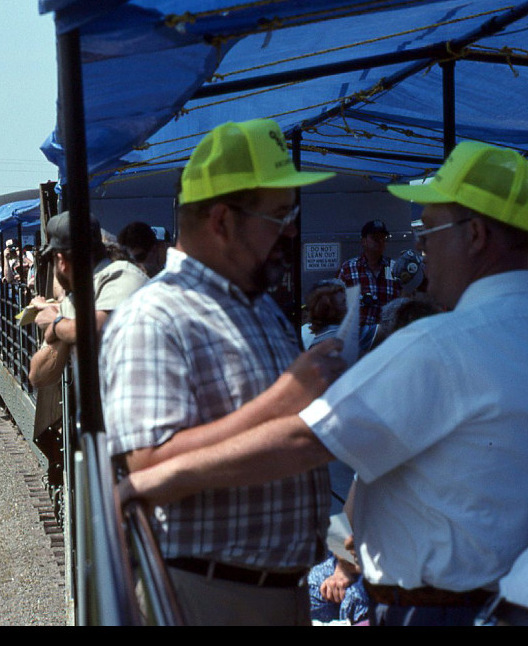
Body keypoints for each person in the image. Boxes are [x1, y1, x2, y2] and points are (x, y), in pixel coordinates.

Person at [120, 139, 528, 626]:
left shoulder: (441, 344)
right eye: (280, 215)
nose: (419, 249)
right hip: (502, 605)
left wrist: (148, 483)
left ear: (474, 235)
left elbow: (307, 439)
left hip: (432, 609)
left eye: (428, 231)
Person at [100, 118, 346, 625]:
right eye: (280, 214)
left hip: (277, 590)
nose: (292, 228)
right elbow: (146, 466)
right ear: (221, 221)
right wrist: (284, 398)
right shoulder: (155, 317)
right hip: (210, 594)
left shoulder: (257, 306)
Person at [26, 211, 147, 388]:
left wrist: (56, 324)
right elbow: (38, 376)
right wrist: (62, 328)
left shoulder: (121, 274)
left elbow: (93, 330)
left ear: (61, 261)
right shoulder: (73, 300)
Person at [337, 219, 401, 347]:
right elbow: (336, 304)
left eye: (383, 238)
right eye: (375, 238)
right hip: (357, 341)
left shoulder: (395, 268)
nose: (380, 242)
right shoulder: (348, 269)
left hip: (387, 341)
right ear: (363, 241)